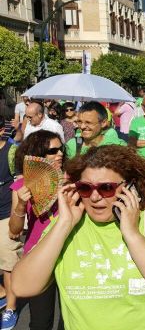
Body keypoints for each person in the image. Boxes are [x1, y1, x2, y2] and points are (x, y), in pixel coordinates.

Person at [11, 145, 145, 329]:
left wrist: (132, 234)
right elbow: (22, 286)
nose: (95, 197)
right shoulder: (66, 225)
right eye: (85, 188)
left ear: (130, 186)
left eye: (106, 188)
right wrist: (64, 225)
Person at [9, 130, 65, 330]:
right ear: (37, 155)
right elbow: (14, 232)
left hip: (69, 254)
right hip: (37, 256)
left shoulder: (71, 180)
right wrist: (21, 206)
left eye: (62, 149)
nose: (60, 154)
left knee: (71, 319)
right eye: (53, 150)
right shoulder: (21, 186)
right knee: (41, 321)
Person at [0, 117, 17, 330]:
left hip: (5, 214)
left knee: (8, 263)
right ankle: (3, 293)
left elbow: (20, 182)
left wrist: (16, 217)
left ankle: (10, 308)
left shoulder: (12, 153)